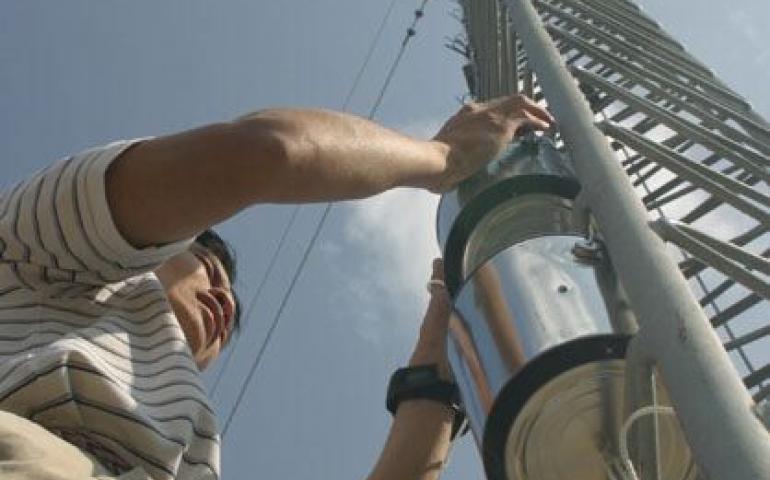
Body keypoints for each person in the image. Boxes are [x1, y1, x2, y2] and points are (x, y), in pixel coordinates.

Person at [0, 95, 554, 480]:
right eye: (206, 267)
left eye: (231, 296)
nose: (225, 298)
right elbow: (266, 151)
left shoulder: (182, 442)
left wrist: (438, 354)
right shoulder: (32, 247)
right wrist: (446, 157)